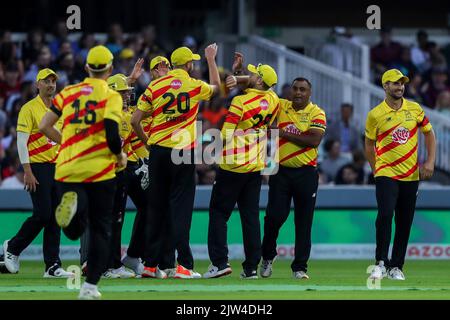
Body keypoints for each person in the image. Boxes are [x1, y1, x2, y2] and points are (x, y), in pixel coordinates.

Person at [39, 45, 126, 299]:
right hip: (100, 170)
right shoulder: (111, 96)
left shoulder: (67, 92)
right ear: (110, 69)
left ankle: (71, 213)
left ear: (87, 67)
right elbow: (112, 134)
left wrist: (65, 141)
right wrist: (119, 155)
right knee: (101, 229)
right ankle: (90, 287)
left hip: (67, 167)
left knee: (76, 228)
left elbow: (45, 125)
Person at [131, 45, 220, 279]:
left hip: (158, 150)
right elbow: (217, 88)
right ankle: (184, 266)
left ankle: (150, 265)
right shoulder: (193, 85)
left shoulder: (155, 85)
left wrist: (147, 141)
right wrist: (211, 60)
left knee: (156, 208)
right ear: (188, 64)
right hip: (182, 152)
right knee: (181, 210)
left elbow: (135, 120)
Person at [204, 59, 279, 279]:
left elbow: (226, 134)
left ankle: (219, 263)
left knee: (219, 214)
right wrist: (238, 74)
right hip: (255, 166)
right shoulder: (273, 100)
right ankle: (251, 268)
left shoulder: (240, 102)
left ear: (258, 81)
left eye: (254, 74)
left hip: (232, 165)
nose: (251, 75)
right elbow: (254, 85)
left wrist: (212, 155)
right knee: (250, 217)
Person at [365, 69, 436, 281]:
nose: (400, 87)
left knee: (405, 222)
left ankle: (397, 266)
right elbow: (369, 144)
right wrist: (376, 169)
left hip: (411, 176)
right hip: (386, 173)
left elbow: (429, 134)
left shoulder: (414, 109)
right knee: (385, 215)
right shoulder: (375, 114)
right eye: (395, 83)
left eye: (402, 83)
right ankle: (380, 263)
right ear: (385, 86)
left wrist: (430, 162)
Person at [2, 68, 73, 278]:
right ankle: (13, 247)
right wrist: (27, 170)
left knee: (55, 218)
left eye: (53, 81)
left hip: (58, 167)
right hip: (37, 166)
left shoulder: (60, 108)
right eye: (46, 81)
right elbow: (21, 142)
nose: (51, 84)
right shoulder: (29, 108)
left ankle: (52, 265)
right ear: (37, 84)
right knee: (43, 214)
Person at [260, 77, 326, 280]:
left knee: (304, 222)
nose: (298, 92)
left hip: (306, 173)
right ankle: (268, 257)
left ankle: (300, 267)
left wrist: (282, 133)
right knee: (273, 217)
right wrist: (238, 74)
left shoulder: (317, 112)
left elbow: (314, 141)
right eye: (295, 89)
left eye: (303, 89)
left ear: (309, 93)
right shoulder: (281, 106)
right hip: (281, 172)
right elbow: (260, 91)